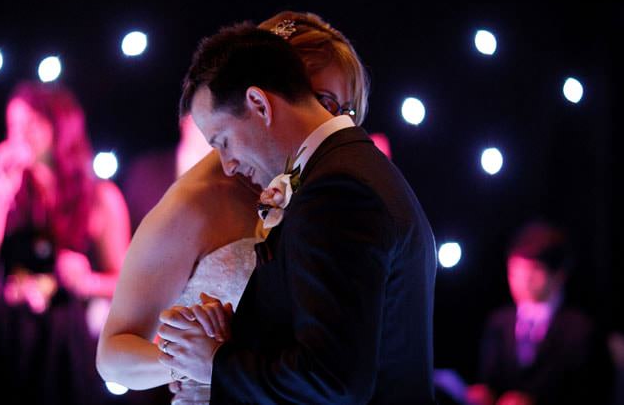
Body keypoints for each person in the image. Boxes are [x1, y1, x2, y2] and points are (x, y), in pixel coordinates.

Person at [96, 11, 373, 404]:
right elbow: (112, 355)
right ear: (267, 93)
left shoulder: (333, 190)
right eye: (323, 101)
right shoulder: (197, 200)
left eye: (344, 111)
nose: (331, 123)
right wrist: (187, 362)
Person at [156, 22, 437, 403]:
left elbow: (332, 381)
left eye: (223, 141)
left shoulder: (337, 191)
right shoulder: (348, 167)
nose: (228, 165)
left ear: (259, 104)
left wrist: (216, 363)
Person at [0, 81, 131, 405]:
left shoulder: (99, 196)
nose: (20, 135)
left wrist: (86, 281)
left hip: (61, 337)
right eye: (13, 125)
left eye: (32, 123)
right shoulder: (5, 186)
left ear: (60, 125)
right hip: (3, 330)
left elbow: (124, 282)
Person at [465, 220, 613, 405]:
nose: (522, 282)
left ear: (558, 274)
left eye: (533, 271)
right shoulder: (499, 322)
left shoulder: (581, 329)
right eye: (514, 272)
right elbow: (489, 378)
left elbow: (593, 392)